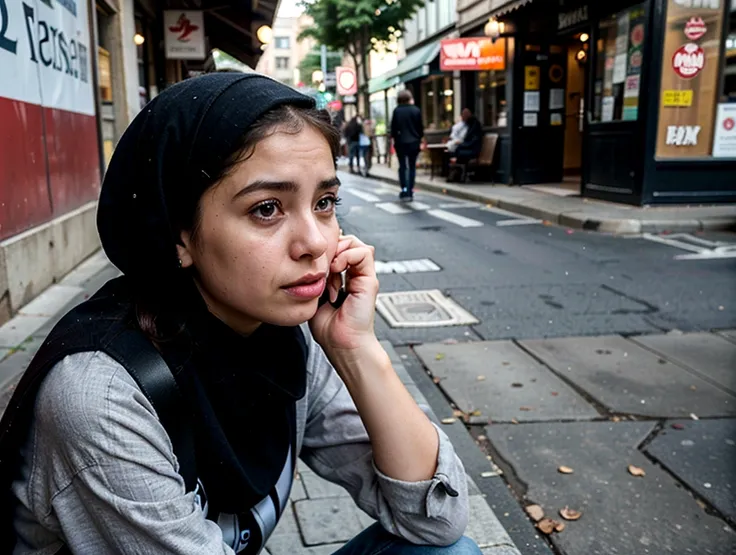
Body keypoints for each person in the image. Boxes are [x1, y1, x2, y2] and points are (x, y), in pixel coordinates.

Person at [6, 73, 479, 555]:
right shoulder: (103, 396)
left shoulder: (285, 338)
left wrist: (356, 350)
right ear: (180, 235)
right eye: (268, 209)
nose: (316, 242)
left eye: (325, 203)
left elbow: (436, 522)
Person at [390, 90, 424, 201]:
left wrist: (394, 140)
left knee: (403, 166)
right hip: (414, 142)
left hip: (401, 142)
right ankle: (410, 189)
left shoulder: (397, 111)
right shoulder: (416, 110)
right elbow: (420, 128)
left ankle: (404, 189)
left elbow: (393, 129)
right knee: (412, 166)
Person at [448, 109, 484, 182]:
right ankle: (458, 174)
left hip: (474, 150)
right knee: (456, 151)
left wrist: (461, 145)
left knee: (457, 152)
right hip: (471, 148)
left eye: (463, 116)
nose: (462, 118)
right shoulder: (470, 124)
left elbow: (473, 141)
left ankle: (458, 175)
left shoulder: (474, 125)